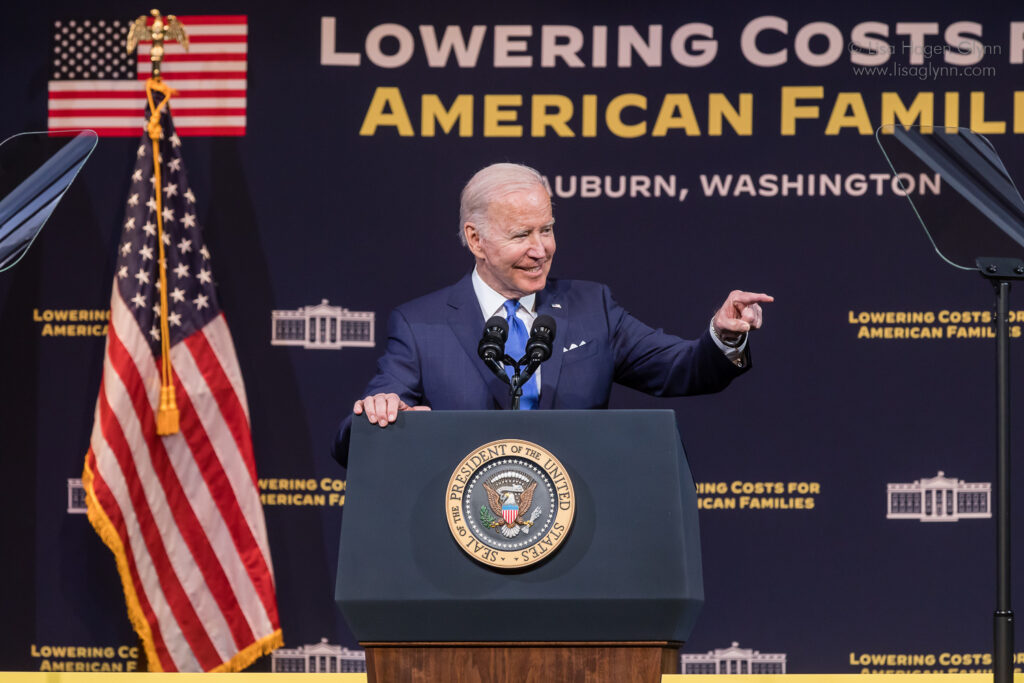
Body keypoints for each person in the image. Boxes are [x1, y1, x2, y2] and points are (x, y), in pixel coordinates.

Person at [333, 162, 771, 463]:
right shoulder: (419, 325)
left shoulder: (591, 308)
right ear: (476, 240)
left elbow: (682, 369)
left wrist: (723, 335)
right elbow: (354, 436)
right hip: (465, 539)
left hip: (579, 536)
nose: (540, 250)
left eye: (547, 229)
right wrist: (380, 413)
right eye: (522, 234)